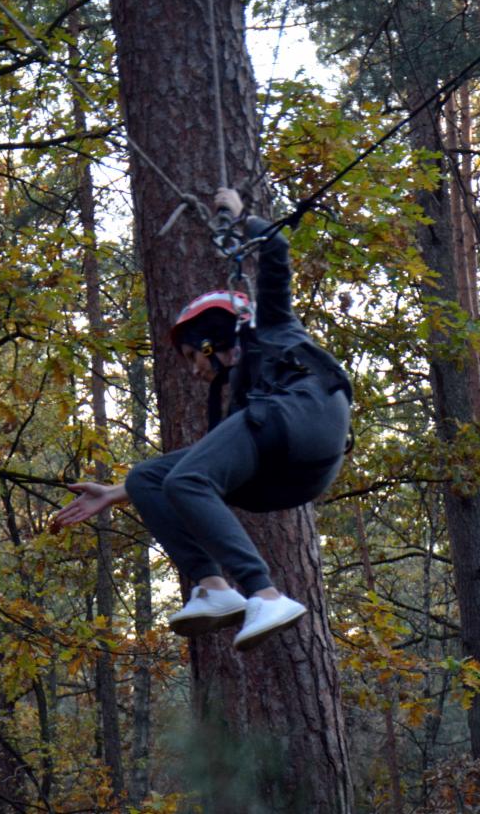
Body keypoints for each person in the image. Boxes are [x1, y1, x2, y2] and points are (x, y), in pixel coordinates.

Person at [52, 188, 352, 651]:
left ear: (213, 336)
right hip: (290, 465)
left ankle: (264, 594)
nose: (195, 369)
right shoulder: (246, 399)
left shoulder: (272, 328)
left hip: (305, 419)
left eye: (195, 354)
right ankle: (213, 588)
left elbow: (275, 255)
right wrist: (115, 493)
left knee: (188, 479)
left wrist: (237, 215)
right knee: (151, 477)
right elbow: (202, 463)